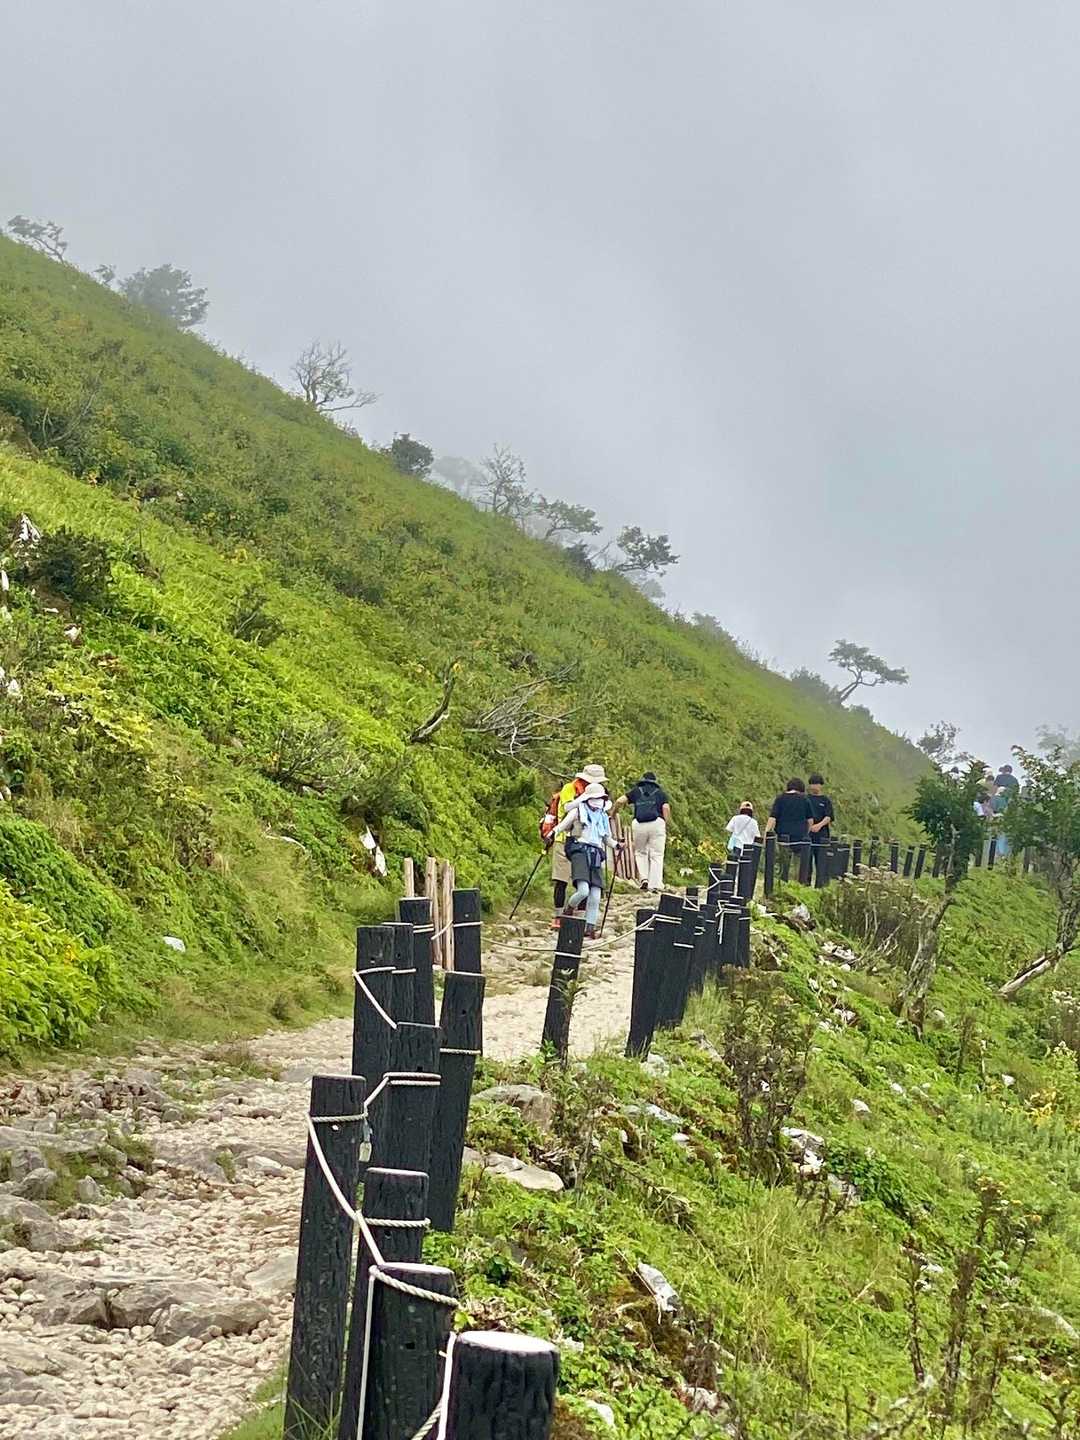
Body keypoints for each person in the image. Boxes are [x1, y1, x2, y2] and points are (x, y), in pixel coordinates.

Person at [543, 763, 607, 929]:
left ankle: (580, 918)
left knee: (584, 881)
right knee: (561, 879)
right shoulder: (569, 789)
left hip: (587, 844)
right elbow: (567, 808)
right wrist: (586, 797)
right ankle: (559, 916)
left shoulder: (598, 792)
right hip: (564, 839)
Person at [549, 782, 617, 939]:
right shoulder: (578, 811)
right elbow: (563, 825)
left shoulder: (602, 817)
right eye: (595, 797)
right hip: (579, 851)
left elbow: (606, 838)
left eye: (601, 798)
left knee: (595, 894)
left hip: (596, 853)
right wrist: (552, 833)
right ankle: (569, 908)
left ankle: (590, 927)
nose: (598, 801)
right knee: (583, 890)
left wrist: (617, 845)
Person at [614, 771, 671, 892]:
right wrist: (665, 824)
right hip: (656, 823)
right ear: (654, 782)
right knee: (657, 854)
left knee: (640, 852)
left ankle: (644, 879)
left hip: (639, 824)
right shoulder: (660, 793)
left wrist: (613, 813)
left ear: (642, 780)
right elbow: (665, 808)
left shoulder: (636, 791)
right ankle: (655, 884)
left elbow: (619, 801)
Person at [765, 778, 814, 880]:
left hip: (783, 836)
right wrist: (806, 832)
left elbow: (773, 818)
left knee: (784, 863)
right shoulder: (805, 800)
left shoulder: (780, 799)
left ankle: (783, 882)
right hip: (800, 837)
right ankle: (797, 883)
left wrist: (766, 833)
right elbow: (810, 821)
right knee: (799, 865)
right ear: (801, 789)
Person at [807, 773, 835, 883]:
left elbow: (829, 816)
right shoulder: (806, 799)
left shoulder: (825, 800)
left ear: (821, 785)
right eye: (812, 784)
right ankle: (806, 883)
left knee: (821, 862)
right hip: (808, 835)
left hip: (822, 836)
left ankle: (821, 884)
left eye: (816, 784)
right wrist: (809, 826)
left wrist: (819, 825)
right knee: (807, 862)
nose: (814, 786)